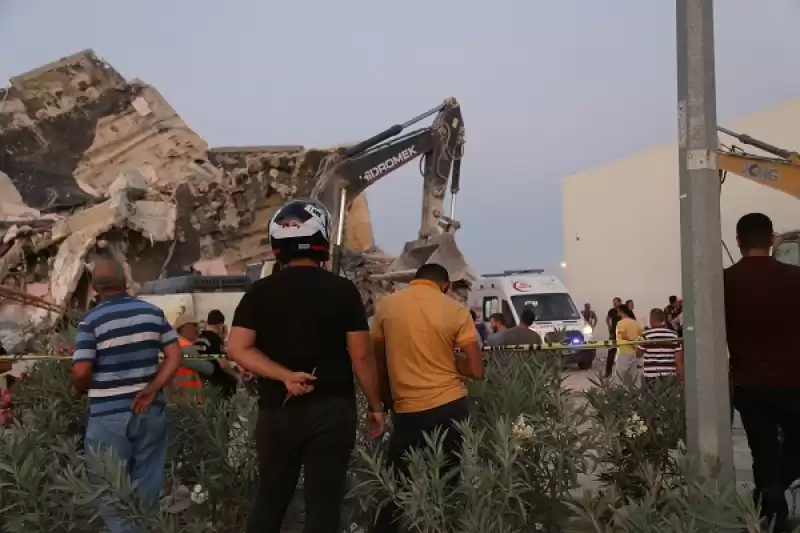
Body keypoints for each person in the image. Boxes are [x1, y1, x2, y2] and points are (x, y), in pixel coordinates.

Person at [227, 199, 385, 533]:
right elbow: (361, 355)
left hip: (277, 411)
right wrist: (376, 405)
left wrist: (283, 376)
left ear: (276, 244)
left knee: (270, 500)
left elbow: (238, 348)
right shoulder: (342, 291)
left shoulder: (259, 292)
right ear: (322, 240)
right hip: (331, 410)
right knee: (324, 505)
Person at [71, 257, 183, 533]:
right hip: (150, 410)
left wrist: (79, 386)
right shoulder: (152, 313)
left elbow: (82, 369)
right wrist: (153, 388)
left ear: (96, 288)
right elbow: (174, 355)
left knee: (110, 489)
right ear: (125, 282)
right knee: (147, 489)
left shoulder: (92, 321)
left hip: (108, 416)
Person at [371, 263, 483, 533]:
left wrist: (384, 402)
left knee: (395, 482)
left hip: (407, 409)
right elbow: (476, 369)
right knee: (449, 480)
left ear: (415, 280)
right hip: (450, 406)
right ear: (445, 286)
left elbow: (379, 363)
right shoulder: (454, 310)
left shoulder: (387, 307)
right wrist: (452, 360)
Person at [725, 212, 800, 532]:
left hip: (749, 383)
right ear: (772, 240)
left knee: (763, 452)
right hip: (794, 381)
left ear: (739, 241)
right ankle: (772, 496)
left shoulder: (723, 281)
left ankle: (771, 512)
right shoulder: (796, 278)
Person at [195, 309, 242, 400]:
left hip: (203, 383)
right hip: (217, 383)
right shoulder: (215, 340)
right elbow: (223, 365)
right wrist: (237, 376)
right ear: (221, 325)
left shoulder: (199, 339)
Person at [171, 313, 212, 402]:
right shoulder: (185, 347)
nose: (197, 329)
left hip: (180, 394)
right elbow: (208, 368)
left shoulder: (175, 343)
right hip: (188, 397)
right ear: (183, 327)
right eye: (194, 325)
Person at [637, 308, 683, 384]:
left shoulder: (646, 335)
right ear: (663, 319)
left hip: (651, 376)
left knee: (651, 396)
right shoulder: (674, 335)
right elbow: (679, 360)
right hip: (669, 376)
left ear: (650, 320)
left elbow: (638, 354)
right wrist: (681, 379)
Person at [613, 304, 643, 385]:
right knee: (634, 378)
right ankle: (636, 395)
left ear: (621, 312)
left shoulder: (620, 323)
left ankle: (621, 395)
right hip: (635, 353)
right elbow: (642, 335)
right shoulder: (635, 323)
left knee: (620, 377)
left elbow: (621, 336)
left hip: (623, 352)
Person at [605, 297, 623, 378]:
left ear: (620, 302)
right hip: (613, 335)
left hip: (622, 334)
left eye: (615, 302)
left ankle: (621, 374)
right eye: (613, 303)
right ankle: (608, 372)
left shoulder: (623, 310)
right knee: (611, 353)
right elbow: (607, 319)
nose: (614, 304)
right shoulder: (612, 311)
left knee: (623, 354)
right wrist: (609, 327)